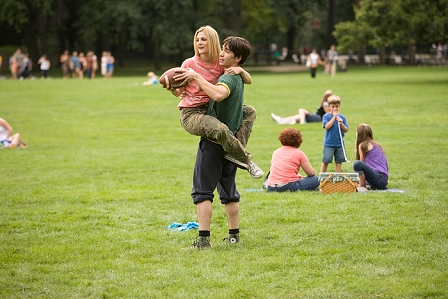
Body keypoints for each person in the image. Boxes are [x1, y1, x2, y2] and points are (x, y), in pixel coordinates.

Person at [182, 36, 253, 250]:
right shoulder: (235, 74)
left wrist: (196, 77)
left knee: (202, 191)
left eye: (227, 51)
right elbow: (247, 78)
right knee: (229, 191)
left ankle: (203, 241)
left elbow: (218, 94)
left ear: (237, 58)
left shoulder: (228, 78)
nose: (221, 53)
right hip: (230, 142)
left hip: (215, 140)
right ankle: (234, 236)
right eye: (221, 48)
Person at [165, 25, 262, 179]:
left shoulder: (220, 63)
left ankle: (236, 151)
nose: (199, 43)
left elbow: (248, 81)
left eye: (203, 39)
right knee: (220, 129)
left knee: (249, 111)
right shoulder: (188, 64)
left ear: (212, 41)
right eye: (197, 40)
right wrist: (171, 88)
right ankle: (246, 160)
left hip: (211, 108)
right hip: (191, 113)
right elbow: (178, 92)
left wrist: (241, 70)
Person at [265, 128, 319, 192]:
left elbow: (279, 169)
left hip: (271, 187)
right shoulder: (299, 153)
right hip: (288, 185)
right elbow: (311, 173)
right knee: (316, 179)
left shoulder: (276, 152)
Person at [353, 124, 388, 190]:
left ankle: (362, 186)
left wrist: (357, 147)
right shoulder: (376, 144)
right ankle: (369, 185)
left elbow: (360, 164)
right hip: (384, 180)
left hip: (378, 178)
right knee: (353, 176)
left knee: (356, 164)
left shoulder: (363, 145)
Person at [320, 95, 349, 173]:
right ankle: (322, 177)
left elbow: (346, 129)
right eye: (332, 106)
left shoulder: (342, 117)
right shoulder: (326, 116)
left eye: (336, 106)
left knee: (339, 161)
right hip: (329, 143)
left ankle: (338, 177)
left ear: (339, 106)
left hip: (339, 144)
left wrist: (341, 123)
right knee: (326, 160)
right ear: (329, 107)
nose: (335, 108)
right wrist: (333, 118)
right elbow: (327, 127)